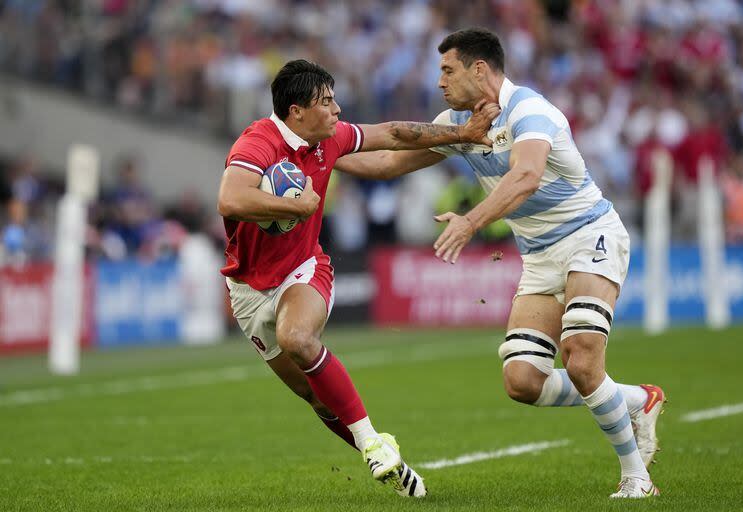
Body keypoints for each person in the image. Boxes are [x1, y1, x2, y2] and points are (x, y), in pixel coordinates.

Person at [335, 28, 664, 499]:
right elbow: (388, 161)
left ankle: (637, 478)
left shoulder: (531, 110)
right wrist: (325, 155)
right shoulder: (458, 122)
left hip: (590, 235)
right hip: (539, 257)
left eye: (448, 70)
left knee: (582, 354)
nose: (440, 81)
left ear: (480, 70)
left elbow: (527, 175)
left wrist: (469, 224)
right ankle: (636, 399)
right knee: (522, 379)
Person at [216, 59, 499, 498]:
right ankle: (390, 462)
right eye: (326, 102)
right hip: (248, 290)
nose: (337, 109)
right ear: (296, 111)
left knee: (298, 338)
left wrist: (462, 133)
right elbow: (231, 199)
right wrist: (299, 207)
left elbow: (392, 134)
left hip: (304, 268)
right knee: (314, 397)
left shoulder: (331, 136)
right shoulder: (258, 143)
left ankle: (371, 444)